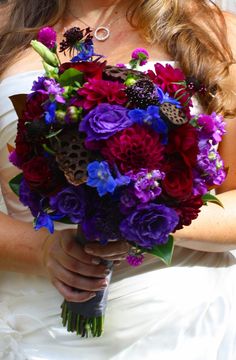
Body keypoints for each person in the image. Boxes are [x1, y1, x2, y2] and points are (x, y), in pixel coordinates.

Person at [0, 0, 236, 359]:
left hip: (177, 329)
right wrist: (44, 251)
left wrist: (147, 219)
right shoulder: (6, 26)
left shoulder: (218, 34)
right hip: (38, 325)